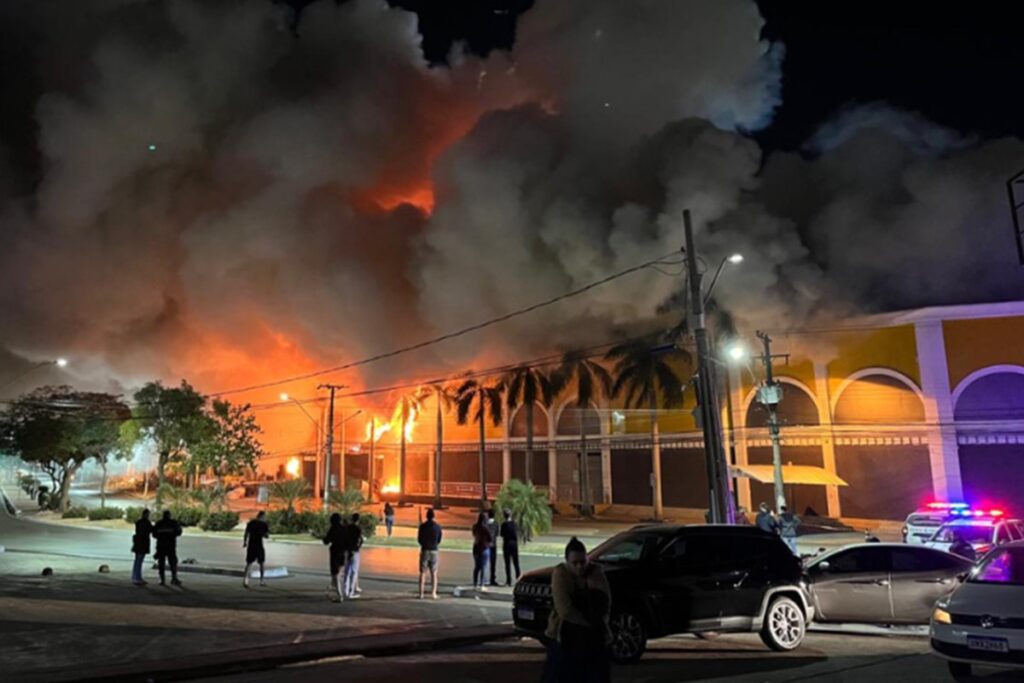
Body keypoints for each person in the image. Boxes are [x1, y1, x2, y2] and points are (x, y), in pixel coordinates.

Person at [543, 537, 612, 683]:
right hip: (565, 638)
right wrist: (588, 623)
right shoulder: (561, 573)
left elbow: (604, 602)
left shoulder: (596, 572)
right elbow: (565, 609)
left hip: (594, 639)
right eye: (575, 563)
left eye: (583, 562)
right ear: (567, 562)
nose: (579, 567)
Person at [152, 510, 183, 586]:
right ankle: (174, 578)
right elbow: (179, 532)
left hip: (161, 546)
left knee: (161, 564)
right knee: (173, 563)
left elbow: (154, 534)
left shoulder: (159, 523)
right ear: (169, 515)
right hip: (170, 546)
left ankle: (162, 579)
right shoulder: (173, 523)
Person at [417, 508, 443, 599]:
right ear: (434, 516)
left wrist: (424, 544)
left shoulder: (422, 526)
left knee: (422, 572)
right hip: (434, 550)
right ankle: (433, 593)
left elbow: (419, 539)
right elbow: (439, 540)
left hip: (425, 550)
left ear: (426, 516)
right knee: (434, 573)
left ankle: (421, 594)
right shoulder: (438, 527)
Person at [322, 513, 348, 601]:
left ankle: (339, 594)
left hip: (335, 552)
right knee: (339, 572)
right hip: (343, 552)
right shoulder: (344, 529)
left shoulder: (333, 529)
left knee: (335, 573)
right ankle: (334, 588)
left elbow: (326, 541)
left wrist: (323, 538)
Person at [243, 510, 270, 588]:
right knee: (261, 563)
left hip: (251, 545)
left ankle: (245, 580)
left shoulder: (251, 523)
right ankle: (261, 581)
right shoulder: (264, 524)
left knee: (249, 563)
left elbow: (246, 533)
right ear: (262, 516)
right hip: (259, 545)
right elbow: (266, 536)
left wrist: (245, 542)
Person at [343, 513, 363, 599]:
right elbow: (360, 540)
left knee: (347, 571)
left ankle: (345, 591)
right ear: (358, 520)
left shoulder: (347, 528)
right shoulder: (358, 529)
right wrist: (359, 546)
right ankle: (351, 592)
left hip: (347, 550)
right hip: (354, 551)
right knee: (354, 572)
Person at [131, 508, 153, 586]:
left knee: (137, 561)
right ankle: (137, 578)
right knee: (139, 561)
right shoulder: (146, 523)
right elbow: (151, 530)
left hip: (137, 543)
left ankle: (135, 576)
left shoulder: (138, 522)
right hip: (143, 544)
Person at [499, 509, 521, 586]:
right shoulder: (515, 524)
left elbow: (501, 534)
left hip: (507, 544)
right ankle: (518, 579)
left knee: (507, 563)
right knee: (516, 563)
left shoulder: (504, 524)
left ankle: (508, 581)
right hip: (514, 544)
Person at [472, 512, 492, 591]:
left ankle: (475, 583)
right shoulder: (485, 528)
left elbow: (474, 535)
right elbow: (490, 538)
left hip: (476, 548)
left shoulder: (475, 527)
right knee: (483, 567)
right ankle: (482, 584)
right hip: (484, 548)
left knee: (477, 566)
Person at [486, 509, 500, 586]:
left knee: (485, 563)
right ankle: (492, 578)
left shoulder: (485, 524)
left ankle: (484, 579)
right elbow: (497, 533)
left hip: (486, 545)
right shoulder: (496, 524)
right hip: (493, 544)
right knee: (493, 563)